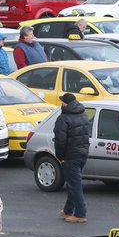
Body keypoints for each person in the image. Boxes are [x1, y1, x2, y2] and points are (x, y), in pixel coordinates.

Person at [52, 94, 90, 224]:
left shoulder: (63, 118)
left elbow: (60, 140)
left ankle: (80, 214)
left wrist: (60, 156)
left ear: (65, 104)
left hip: (70, 155)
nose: (61, 104)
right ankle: (68, 210)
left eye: (62, 101)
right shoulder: (83, 115)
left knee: (75, 185)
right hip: (82, 153)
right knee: (72, 183)